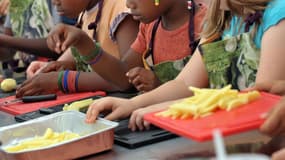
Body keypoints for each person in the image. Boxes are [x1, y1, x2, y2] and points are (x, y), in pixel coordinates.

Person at [77, 0, 285, 131]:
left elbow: (260, 98)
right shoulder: (222, 18)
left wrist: (169, 108)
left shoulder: (278, 13)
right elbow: (185, 82)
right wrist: (132, 105)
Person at [16, 0, 207, 96]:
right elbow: (124, 78)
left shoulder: (206, 25)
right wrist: (82, 43)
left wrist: (160, 87)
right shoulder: (149, 27)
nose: (128, 3)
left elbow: (209, 89)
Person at [15, 0, 140, 96]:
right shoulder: (85, 13)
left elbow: (126, 79)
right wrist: (57, 66)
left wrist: (61, 79)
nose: (54, 2)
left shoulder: (122, 9)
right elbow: (80, 50)